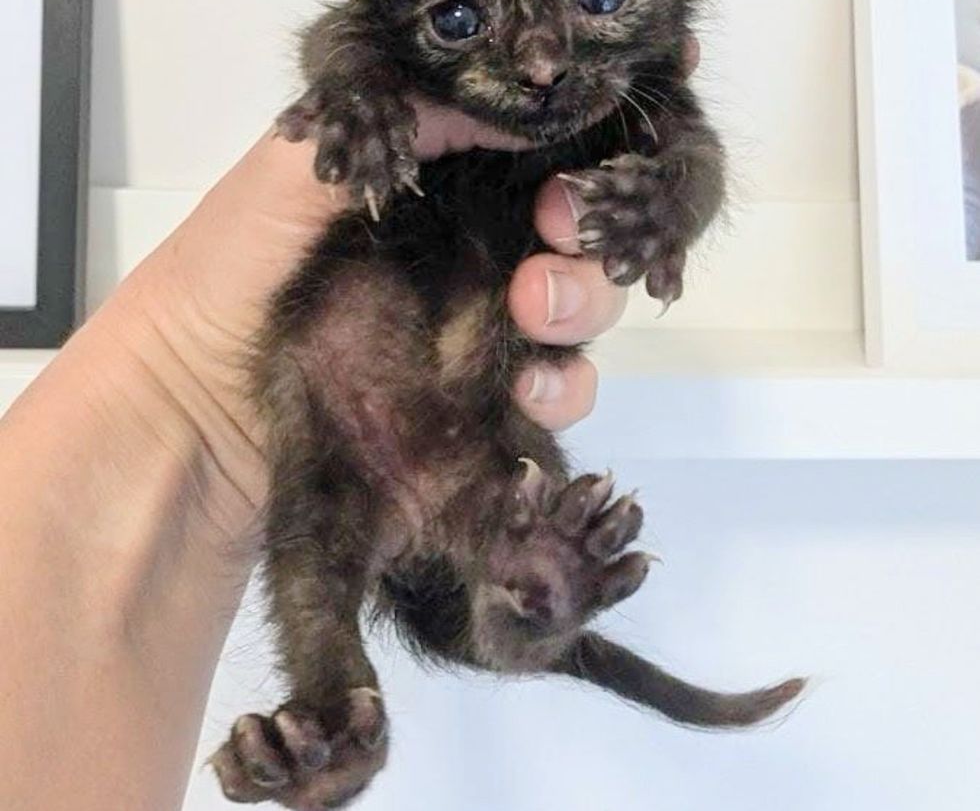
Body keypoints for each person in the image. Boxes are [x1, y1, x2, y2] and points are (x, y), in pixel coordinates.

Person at [0, 99, 638, 810]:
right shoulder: (390, 84)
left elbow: (686, 169)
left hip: (425, 380)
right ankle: (407, 669)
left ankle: (496, 612)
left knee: (492, 460)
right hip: (355, 370)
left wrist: (662, 204)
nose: (542, 63)